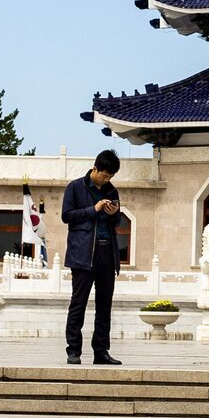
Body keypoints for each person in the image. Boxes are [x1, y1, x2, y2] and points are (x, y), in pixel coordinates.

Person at [63, 150, 126, 366]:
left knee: (104, 305)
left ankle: (101, 351)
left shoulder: (112, 190)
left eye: (110, 177)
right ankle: (73, 350)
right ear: (95, 168)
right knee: (78, 303)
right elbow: (67, 216)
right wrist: (94, 209)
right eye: (104, 175)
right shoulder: (75, 187)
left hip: (107, 252)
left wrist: (112, 214)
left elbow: (117, 222)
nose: (106, 180)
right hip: (82, 254)